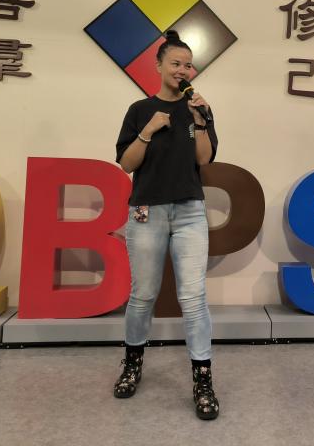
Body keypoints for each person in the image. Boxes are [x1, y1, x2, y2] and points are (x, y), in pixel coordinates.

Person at [112, 30, 220, 420]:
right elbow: (126, 164)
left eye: (188, 65)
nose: (182, 70)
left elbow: (204, 160)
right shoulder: (140, 109)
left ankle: (203, 379)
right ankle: (132, 364)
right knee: (143, 295)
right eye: (175, 63)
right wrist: (148, 130)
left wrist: (201, 122)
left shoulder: (199, 109)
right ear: (158, 66)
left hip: (190, 212)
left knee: (194, 297)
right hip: (147, 212)